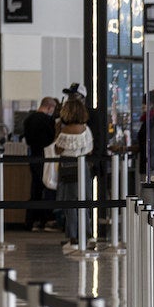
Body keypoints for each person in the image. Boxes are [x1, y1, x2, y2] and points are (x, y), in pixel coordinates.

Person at [49, 94, 94, 249]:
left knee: (70, 204)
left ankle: (73, 236)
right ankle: (87, 235)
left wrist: (57, 131)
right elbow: (89, 150)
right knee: (84, 202)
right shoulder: (86, 129)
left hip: (67, 167)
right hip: (83, 167)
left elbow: (57, 150)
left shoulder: (64, 131)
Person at [22, 96, 59, 232]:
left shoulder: (28, 119)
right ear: (49, 107)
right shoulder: (48, 121)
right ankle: (45, 220)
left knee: (35, 189)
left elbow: (27, 139)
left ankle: (31, 221)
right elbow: (53, 139)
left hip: (33, 156)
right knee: (47, 188)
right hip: (46, 157)